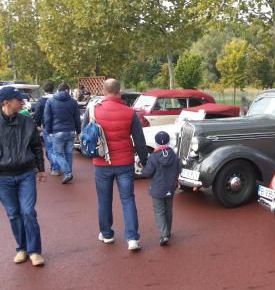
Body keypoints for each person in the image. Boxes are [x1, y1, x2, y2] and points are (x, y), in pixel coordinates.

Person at [82, 78, 148, 251]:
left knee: (104, 199)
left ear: (104, 92)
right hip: (125, 162)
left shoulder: (92, 110)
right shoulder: (130, 112)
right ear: (120, 91)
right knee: (128, 200)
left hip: (101, 162)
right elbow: (139, 141)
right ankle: (132, 238)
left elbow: (84, 134)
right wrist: (145, 160)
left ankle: (107, 233)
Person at [0, 86, 46, 266]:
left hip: (26, 173)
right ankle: (22, 248)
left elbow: (36, 146)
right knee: (13, 214)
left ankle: (35, 251)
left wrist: (41, 169)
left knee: (28, 212)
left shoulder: (27, 122)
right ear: (6, 102)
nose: (22, 102)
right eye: (18, 100)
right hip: (3, 177)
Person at [141, 131, 180, 246]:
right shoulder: (173, 154)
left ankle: (163, 235)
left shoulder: (153, 157)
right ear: (169, 141)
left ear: (156, 143)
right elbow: (179, 169)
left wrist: (144, 167)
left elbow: (147, 173)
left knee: (159, 211)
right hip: (170, 187)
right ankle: (168, 231)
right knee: (168, 209)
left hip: (157, 188)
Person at [44, 83, 81, 184]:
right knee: (69, 153)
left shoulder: (50, 101)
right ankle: (67, 173)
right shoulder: (73, 102)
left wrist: (48, 131)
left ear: (58, 90)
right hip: (70, 131)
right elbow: (77, 118)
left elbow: (47, 118)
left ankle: (68, 173)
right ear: (67, 90)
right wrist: (78, 131)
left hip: (57, 131)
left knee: (58, 153)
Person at [34, 81, 60, 176]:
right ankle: (59, 166)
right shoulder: (57, 99)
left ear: (44, 90)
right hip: (58, 126)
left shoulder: (41, 101)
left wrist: (37, 124)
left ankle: (55, 167)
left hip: (47, 127)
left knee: (49, 149)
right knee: (57, 148)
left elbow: (37, 114)